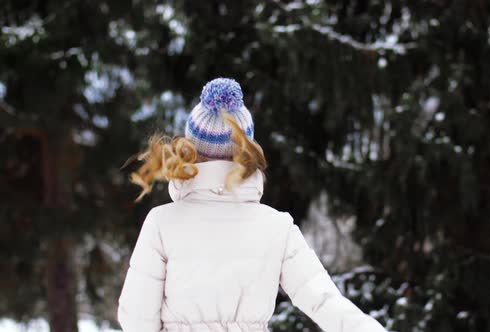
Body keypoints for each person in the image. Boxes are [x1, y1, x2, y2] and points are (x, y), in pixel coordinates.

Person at [117, 78, 388, 332]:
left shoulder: (162, 222)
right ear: (246, 150)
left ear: (191, 147)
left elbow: (136, 318)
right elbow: (323, 301)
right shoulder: (277, 227)